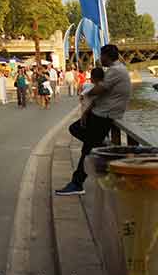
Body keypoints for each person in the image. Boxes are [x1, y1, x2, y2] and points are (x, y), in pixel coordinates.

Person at [56, 45, 132, 196]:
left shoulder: (116, 71)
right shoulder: (116, 70)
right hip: (100, 113)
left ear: (107, 56)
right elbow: (102, 94)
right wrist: (87, 110)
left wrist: (86, 94)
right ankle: (101, 146)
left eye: (101, 56)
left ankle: (77, 183)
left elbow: (99, 90)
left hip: (104, 115)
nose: (99, 59)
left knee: (86, 148)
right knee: (79, 133)